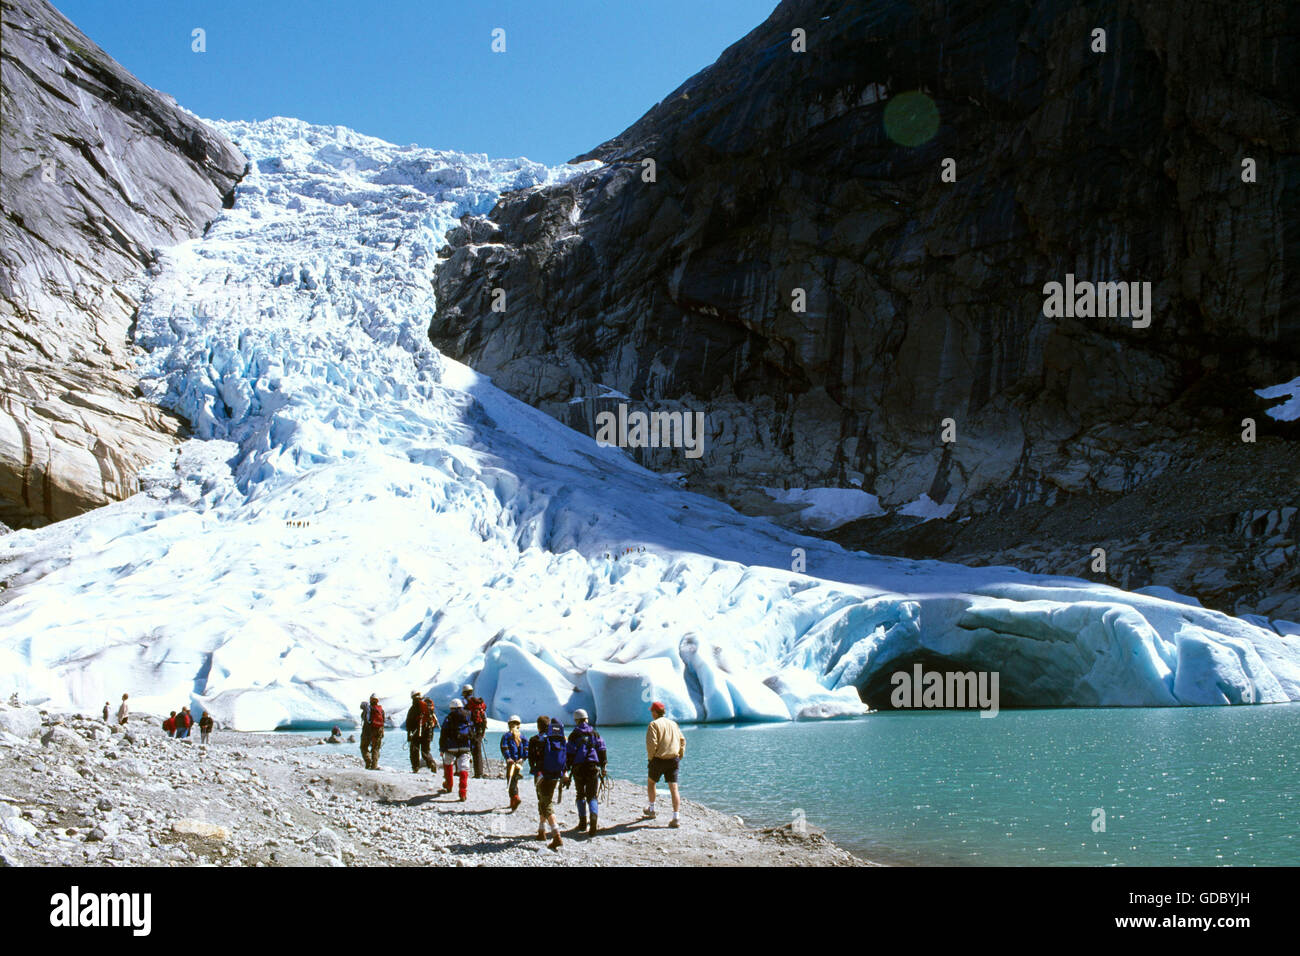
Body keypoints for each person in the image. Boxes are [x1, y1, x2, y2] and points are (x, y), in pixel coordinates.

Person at [644, 701, 685, 828]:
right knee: (674, 788)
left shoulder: (653, 724)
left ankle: (651, 809)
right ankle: (676, 817)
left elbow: (651, 744)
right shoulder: (673, 724)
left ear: (655, 712)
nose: (651, 713)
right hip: (673, 760)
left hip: (658, 759)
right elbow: (682, 741)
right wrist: (679, 755)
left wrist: (651, 759)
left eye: (652, 711)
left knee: (651, 783)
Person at [566, 709, 607, 836]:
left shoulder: (573, 735)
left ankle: (582, 822)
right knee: (592, 796)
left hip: (578, 768)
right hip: (592, 767)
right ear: (587, 719)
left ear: (576, 720)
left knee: (580, 794)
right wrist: (603, 766)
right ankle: (593, 819)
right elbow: (602, 749)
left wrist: (567, 769)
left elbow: (570, 753)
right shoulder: (595, 734)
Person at [528, 716, 566, 850]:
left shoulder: (535, 740)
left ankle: (556, 835)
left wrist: (536, 769)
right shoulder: (557, 739)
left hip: (541, 775)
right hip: (555, 775)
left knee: (546, 803)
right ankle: (541, 831)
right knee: (544, 800)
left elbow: (531, 759)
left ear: (538, 726)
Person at [438, 698, 473, 800]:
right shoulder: (467, 716)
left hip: (451, 747)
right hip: (465, 746)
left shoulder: (449, 718)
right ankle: (462, 792)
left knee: (448, 764)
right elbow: (472, 731)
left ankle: (449, 785)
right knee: (464, 769)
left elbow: (443, 734)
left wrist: (442, 748)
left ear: (451, 708)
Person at [405, 691, 438, 774]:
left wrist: (409, 735)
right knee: (425, 751)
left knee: (414, 750)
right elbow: (433, 722)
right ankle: (431, 763)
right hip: (427, 731)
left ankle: (415, 768)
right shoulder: (428, 707)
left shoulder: (413, 708)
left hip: (416, 732)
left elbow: (409, 723)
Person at [499, 715, 527, 811]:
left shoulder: (506, 736)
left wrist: (508, 757)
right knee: (515, 779)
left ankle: (515, 798)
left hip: (511, 762)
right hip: (519, 762)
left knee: (510, 780)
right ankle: (513, 802)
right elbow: (526, 749)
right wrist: (523, 758)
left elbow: (504, 747)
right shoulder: (522, 736)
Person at [462, 684, 488, 778]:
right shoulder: (479, 703)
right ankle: (479, 772)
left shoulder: (466, 703)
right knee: (478, 750)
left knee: (470, 750)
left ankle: (476, 773)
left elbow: (465, 716)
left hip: (471, 728)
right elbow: (484, 716)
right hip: (480, 729)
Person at [361, 694, 385, 770]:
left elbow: (363, 718)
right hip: (378, 731)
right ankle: (374, 766)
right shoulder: (381, 710)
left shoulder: (367, 709)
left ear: (370, 699)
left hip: (367, 731)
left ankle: (368, 761)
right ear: (377, 700)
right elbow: (383, 721)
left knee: (364, 747)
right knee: (376, 748)